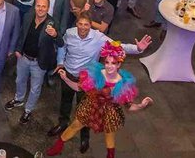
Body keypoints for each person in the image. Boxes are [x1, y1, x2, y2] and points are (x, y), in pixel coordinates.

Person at [47, 13, 152, 154]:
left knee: (99, 128)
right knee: (67, 104)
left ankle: (85, 139)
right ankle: (62, 125)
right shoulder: (69, 34)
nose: (83, 27)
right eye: (80, 24)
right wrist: (62, 69)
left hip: (95, 91)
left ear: (91, 25)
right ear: (76, 24)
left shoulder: (99, 39)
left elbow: (119, 46)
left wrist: (137, 48)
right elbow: (62, 47)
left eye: (86, 24)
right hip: (70, 73)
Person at [5, 0, 63, 124]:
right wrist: (18, 49)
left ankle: (28, 110)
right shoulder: (28, 17)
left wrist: (55, 35)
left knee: (35, 88)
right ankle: (19, 99)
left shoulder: (53, 23)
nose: (40, 9)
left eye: (44, 6)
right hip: (24, 57)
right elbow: (21, 34)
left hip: (39, 62)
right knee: (19, 80)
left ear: (48, 8)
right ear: (34, 6)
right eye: (38, 6)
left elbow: (61, 43)